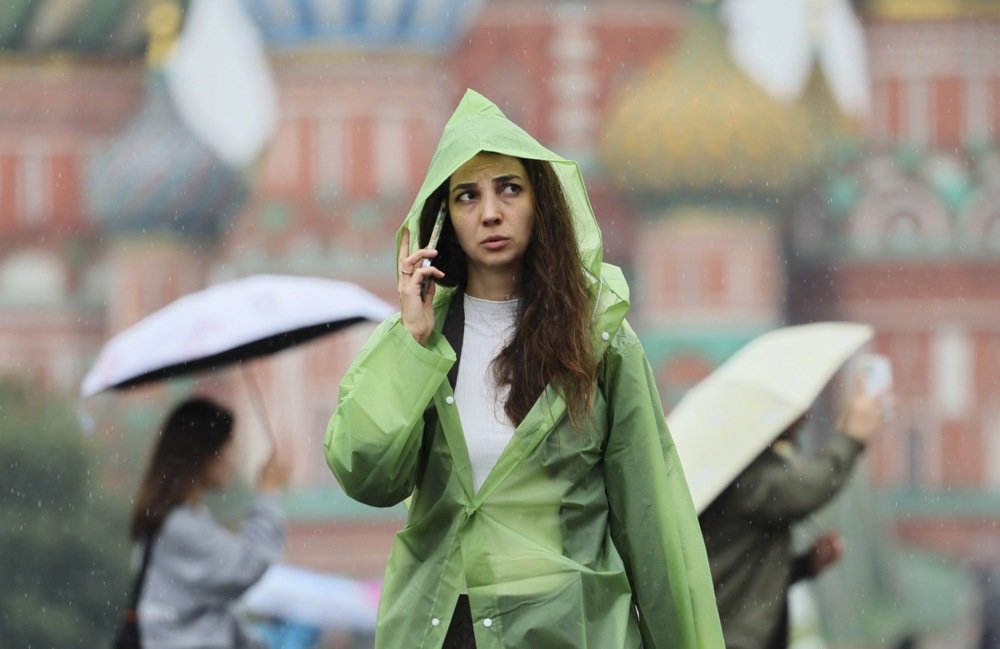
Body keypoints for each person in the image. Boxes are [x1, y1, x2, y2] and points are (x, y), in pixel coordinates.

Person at [324, 89, 724, 649]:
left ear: (542, 204)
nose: (490, 212)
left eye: (509, 189)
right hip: (445, 630)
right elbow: (364, 474)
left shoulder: (601, 342)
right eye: (467, 196)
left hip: (568, 629)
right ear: (444, 220)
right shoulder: (417, 340)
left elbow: (652, 520)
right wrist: (414, 342)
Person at [698, 383, 885, 649]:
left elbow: (748, 572)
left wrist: (805, 565)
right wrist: (851, 438)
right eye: (797, 408)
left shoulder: (745, 469)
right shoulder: (747, 475)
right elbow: (805, 489)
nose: (806, 417)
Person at [129, 396, 289, 648]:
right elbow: (248, 563)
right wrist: (267, 491)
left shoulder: (169, 520)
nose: (230, 461)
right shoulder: (178, 526)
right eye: (227, 449)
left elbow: (211, 612)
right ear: (203, 453)